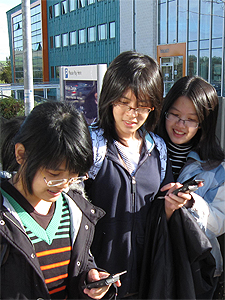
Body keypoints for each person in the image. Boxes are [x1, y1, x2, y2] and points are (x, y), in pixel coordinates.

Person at [84, 51, 194, 298]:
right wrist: (87, 268)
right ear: (109, 97)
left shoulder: (158, 148)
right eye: (124, 102)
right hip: (99, 279)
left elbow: (158, 212)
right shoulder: (92, 145)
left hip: (147, 277)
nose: (132, 115)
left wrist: (172, 203)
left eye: (142, 106)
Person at [0, 102, 120, 300]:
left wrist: (90, 280)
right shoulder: (5, 212)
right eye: (54, 174)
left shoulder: (75, 210)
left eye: (74, 176)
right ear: (21, 154)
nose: (64, 185)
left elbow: (81, 265)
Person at [156, 76, 225, 298]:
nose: (180, 125)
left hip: (195, 266)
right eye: (175, 115)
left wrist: (192, 202)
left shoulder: (217, 167)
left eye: (191, 119)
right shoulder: (146, 152)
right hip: (151, 258)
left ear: (204, 122)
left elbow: (220, 223)